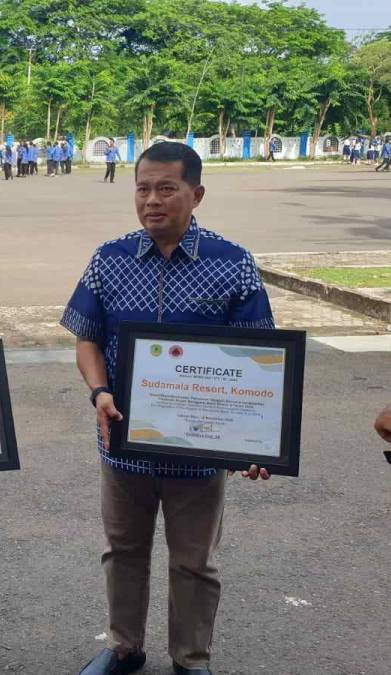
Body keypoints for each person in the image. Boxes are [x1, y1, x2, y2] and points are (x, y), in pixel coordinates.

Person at [63, 142, 273, 675]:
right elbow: (87, 339)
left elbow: (261, 361)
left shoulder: (234, 264)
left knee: (194, 562)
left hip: (199, 450)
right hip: (124, 442)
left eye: (166, 188)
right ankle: (124, 647)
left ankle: (191, 658)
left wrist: (257, 439)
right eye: (142, 188)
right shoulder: (109, 259)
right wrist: (99, 392)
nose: (151, 200)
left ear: (196, 194)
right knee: (123, 550)